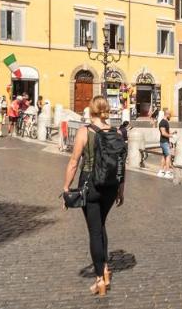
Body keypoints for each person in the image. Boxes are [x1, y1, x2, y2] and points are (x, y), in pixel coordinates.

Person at [62, 95, 124, 297]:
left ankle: (99, 280)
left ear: (91, 110)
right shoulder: (116, 132)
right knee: (101, 225)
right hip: (110, 186)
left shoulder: (84, 131)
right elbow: (121, 165)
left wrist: (66, 187)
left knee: (95, 231)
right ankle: (105, 269)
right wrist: (121, 189)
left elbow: (73, 162)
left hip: (90, 184)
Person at [157, 109, 174, 179]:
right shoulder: (163, 122)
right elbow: (163, 133)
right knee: (168, 156)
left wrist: (172, 134)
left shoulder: (165, 122)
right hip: (164, 142)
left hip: (165, 141)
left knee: (164, 156)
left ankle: (161, 171)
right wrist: (171, 136)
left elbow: (166, 133)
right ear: (167, 114)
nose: (170, 116)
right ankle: (167, 172)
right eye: (170, 115)